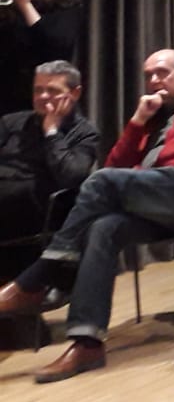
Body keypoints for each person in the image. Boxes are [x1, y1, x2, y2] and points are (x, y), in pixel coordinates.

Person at [0, 49, 174, 381]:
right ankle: (87, 343)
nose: (154, 80)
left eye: (162, 73)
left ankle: (37, 278)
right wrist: (138, 121)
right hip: (161, 205)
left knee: (102, 181)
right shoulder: (150, 119)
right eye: (148, 75)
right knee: (104, 228)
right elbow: (115, 167)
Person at [0, 62, 101, 280]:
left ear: (75, 93)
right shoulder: (11, 122)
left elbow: (71, 177)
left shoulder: (85, 133)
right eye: (38, 90)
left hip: (37, 205)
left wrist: (52, 131)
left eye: (52, 90)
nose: (43, 96)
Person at [0, 0, 87, 117]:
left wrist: (25, 4)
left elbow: (57, 50)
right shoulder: (4, 3)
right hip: (6, 95)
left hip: (45, 95)